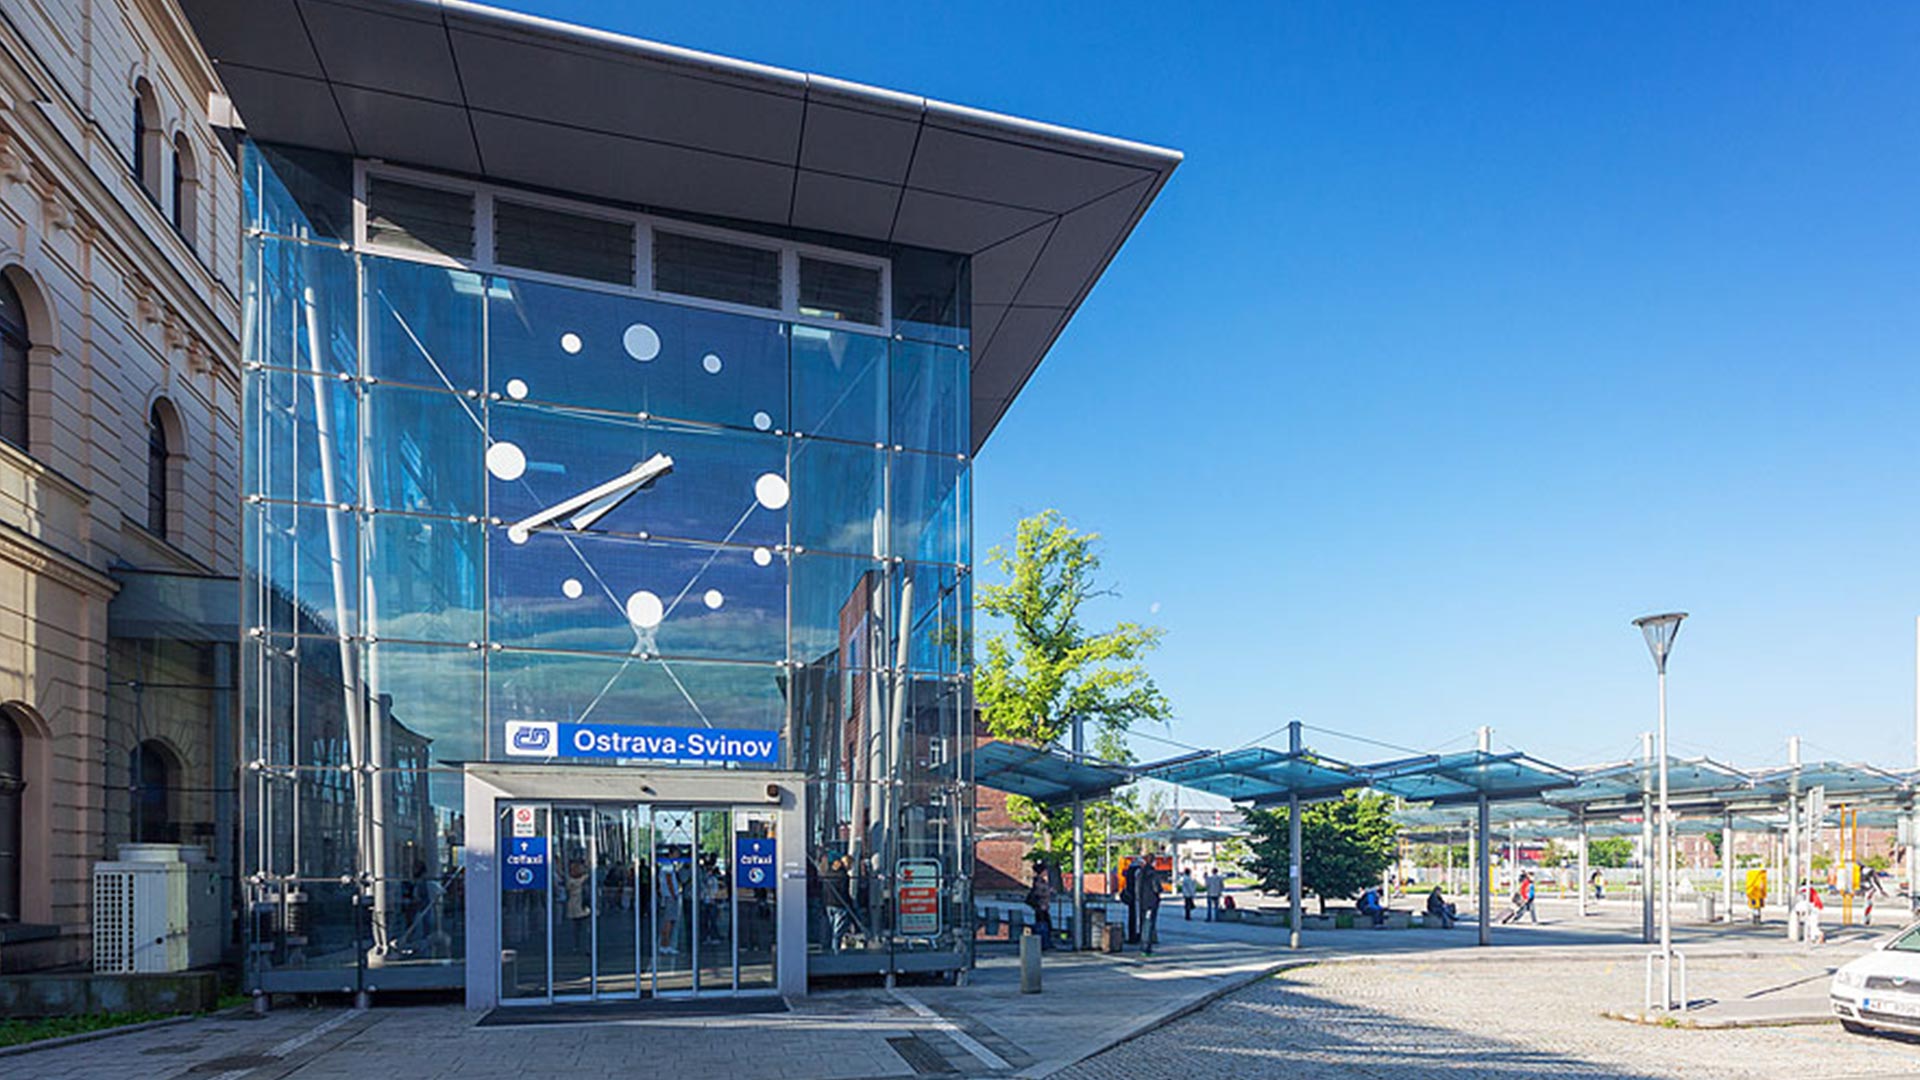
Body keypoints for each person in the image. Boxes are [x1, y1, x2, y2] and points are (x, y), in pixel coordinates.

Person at [1025, 863, 1054, 950]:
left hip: (1042, 906)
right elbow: (1039, 893)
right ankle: (1044, 943)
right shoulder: (1039, 882)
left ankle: (1044, 942)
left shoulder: (1039, 881)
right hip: (1041, 906)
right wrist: (1048, 891)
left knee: (1044, 923)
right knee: (1043, 924)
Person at [1138, 859, 1163, 954]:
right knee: (1149, 924)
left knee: (1144, 923)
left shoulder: (1141, 873)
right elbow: (1157, 888)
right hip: (1151, 902)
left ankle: (1143, 945)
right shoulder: (1152, 874)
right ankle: (1146, 948)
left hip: (1142, 902)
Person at [1121, 856, 1141, 944]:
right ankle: (1136, 936)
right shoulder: (1138, 871)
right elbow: (1138, 885)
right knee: (1137, 917)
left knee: (1131, 916)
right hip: (1136, 897)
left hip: (1130, 896)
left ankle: (1131, 935)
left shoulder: (1129, 870)